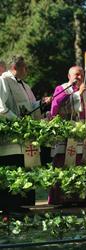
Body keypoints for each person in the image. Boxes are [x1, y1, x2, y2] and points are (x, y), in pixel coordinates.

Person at [0, 55, 51, 211]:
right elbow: (1, 107)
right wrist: (17, 122)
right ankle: (10, 206)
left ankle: (22, 204)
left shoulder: (25, 86)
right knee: (14, 168)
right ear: (16, 67)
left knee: (25, 168)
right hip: (12, 138)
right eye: (25, 67)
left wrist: (42, 103)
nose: (27, 70)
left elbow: (30, 108)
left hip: (25, 136)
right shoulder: (4, 80)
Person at [48, 65, 86, 205]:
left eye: (81, 74)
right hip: (67, 136)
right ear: (69, 76)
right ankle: (63, 199)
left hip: (83, 138)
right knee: (64, 165)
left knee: (83, 165)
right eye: (76, 74)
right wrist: (77, 95)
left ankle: (83, 198)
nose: (79, 77)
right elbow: (56, 106)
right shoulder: (62, 88)